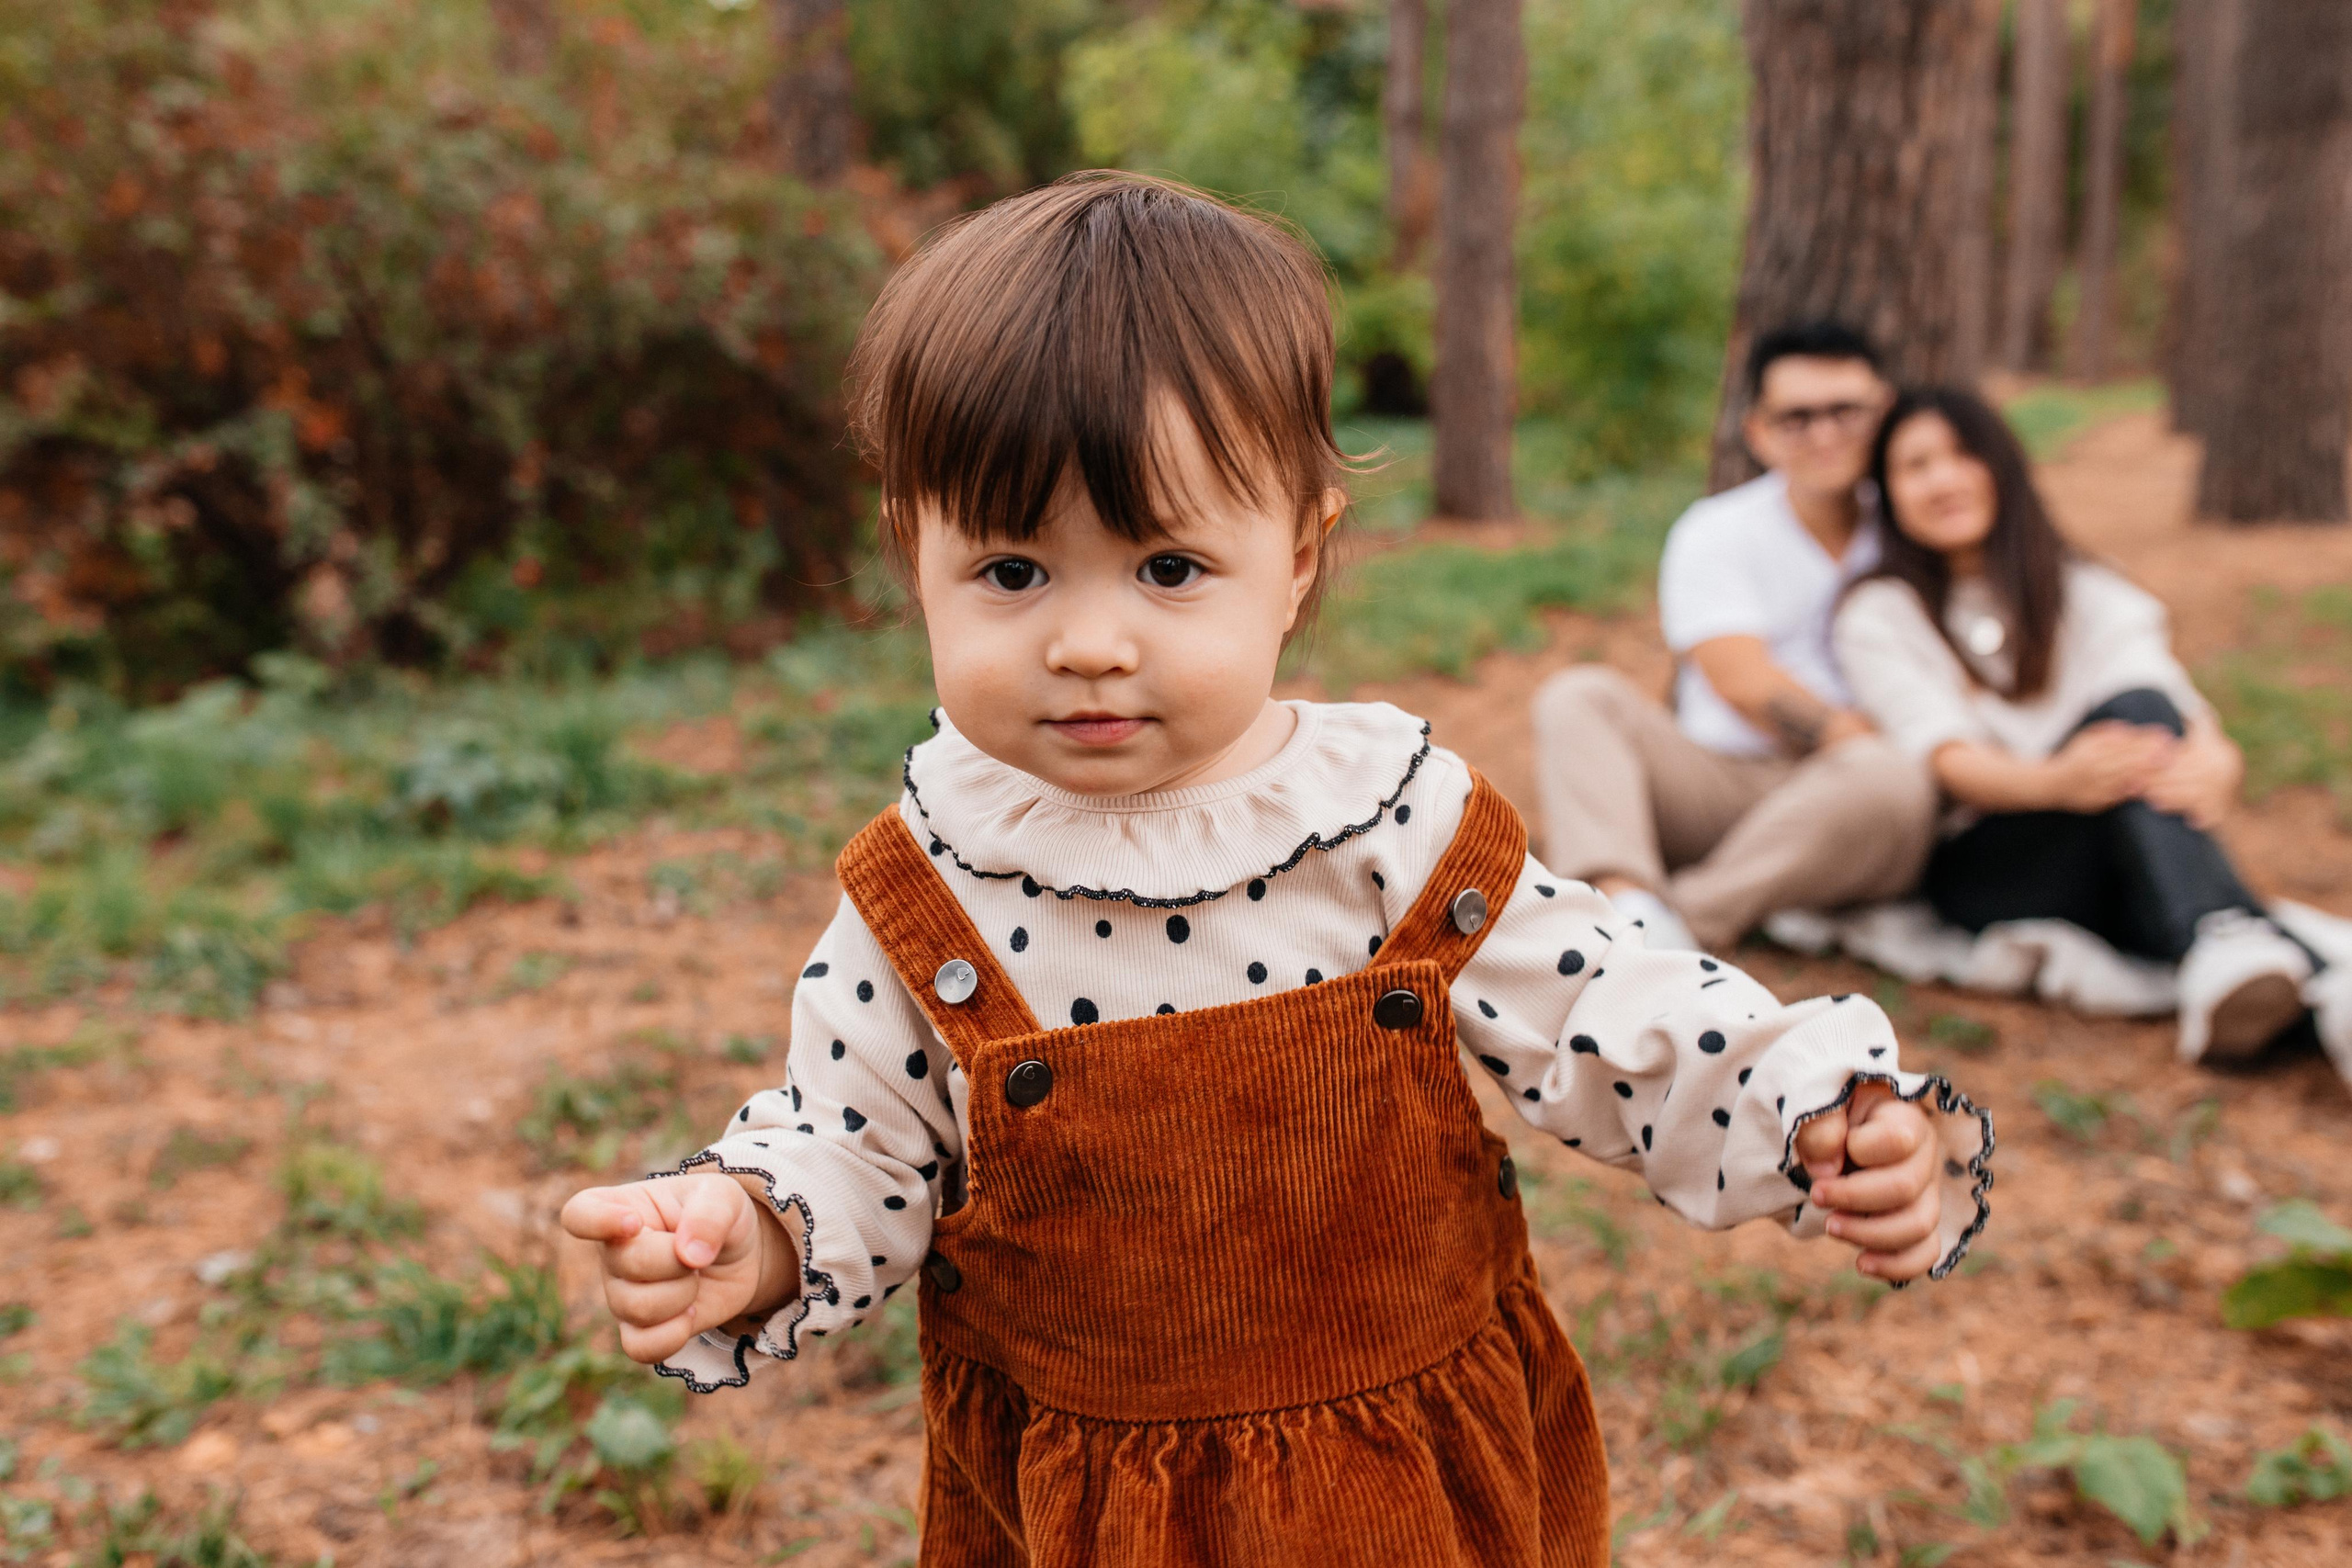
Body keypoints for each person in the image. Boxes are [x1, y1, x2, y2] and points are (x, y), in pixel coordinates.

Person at [557, 176, 1993, 1564]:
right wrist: (755, 1227)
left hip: (1408, 1485)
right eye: (1012, 571)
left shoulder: (1385, 825)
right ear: (912, 554)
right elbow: (858, 1143)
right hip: (1088, 1511)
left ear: (1298, 556)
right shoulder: (926, 891)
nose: (1090, 642)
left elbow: (1607, 1005)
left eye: (1169, 568)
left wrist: (1811, 1103)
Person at [1835, 386, 2317, 1063]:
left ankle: (2248, 975)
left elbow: (2162, 692)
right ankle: (2241, 941)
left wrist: (2217, 761)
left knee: (2139, 713)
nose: (1944, 480)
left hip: (2112, 824)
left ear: (2003, 466)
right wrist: (2057, 782)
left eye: (1964, 454)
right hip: (1985, 864)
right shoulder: (1879, 612)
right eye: (1916, 466)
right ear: (1886, 494)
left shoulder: (2082, 585)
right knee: (2136, 764)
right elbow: (1943, 756)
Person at [1531, 322, 1938, 954]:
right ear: (1758, 432)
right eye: (1797, 418)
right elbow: (1742, 681)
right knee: (1578, 697)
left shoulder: (1917, 523)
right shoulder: (1717, 529)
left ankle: (1678, 922)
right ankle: (1625, 899)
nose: (1825, 435)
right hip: (1723, 783)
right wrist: (1851, 736)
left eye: (1845, 412)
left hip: (1860, 800)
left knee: (1892, 779)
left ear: (1885, 412)